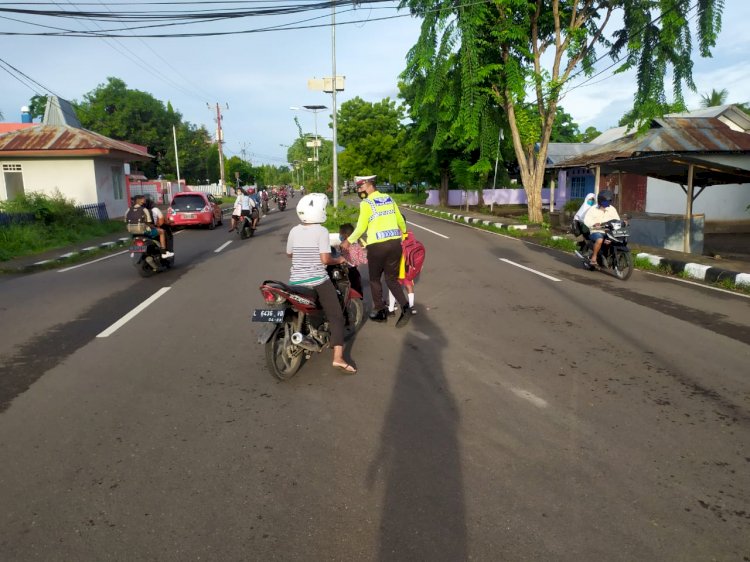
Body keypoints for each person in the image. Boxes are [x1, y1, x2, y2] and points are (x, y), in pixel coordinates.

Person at [288, 193, 356, 374]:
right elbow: (325, 259)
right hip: (317, 280)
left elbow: (290, 253)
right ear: (320, 211)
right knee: (336, 316)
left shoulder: (294, 230)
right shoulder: (322, 231)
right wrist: (340, 259)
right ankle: (338, 358)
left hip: (295, 280)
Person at [340, 175, 411, 327]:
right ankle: (406, 307)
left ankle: (380, 310)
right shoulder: (388, 198)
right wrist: (404, 234)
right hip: (394, 244)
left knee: (374, 279)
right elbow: (400, 220)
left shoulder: (366, 203)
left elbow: (360, 228)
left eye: (361, 186)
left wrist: (348, 241)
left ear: (369, 184)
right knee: (391, 279)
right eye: (358, 188)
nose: (359, 190)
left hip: (377, 247)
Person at [128, 194, 174, 258]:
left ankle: (133, 251)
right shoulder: (149, 210)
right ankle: (163, 252)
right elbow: (154, 223)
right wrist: (155, 227)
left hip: (134, 231)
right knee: (162, 232)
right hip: (145, 231)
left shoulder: (130, 210)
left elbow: (127, 221)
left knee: (133, 236)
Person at [583, 190, 620, 267]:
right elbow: (586, 220)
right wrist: (594, 224)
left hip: (609, 231)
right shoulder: (593, 209)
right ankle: (594, 257)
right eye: (605, 202)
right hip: (596, 231)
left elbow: (617, 220)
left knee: (619, 239)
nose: (607, 203)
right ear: (600, 201)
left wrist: (621, 223)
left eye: (608, 201)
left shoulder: (612, 209)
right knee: (600, 239)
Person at [338, 222, 365, 297]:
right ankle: (359, 300)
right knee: (356, 287)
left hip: (346, 271)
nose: (339, 235)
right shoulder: (357, 245)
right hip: (354, 270)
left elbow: (340, 257)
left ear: (345, 234)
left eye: (340, 233)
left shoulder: (342, 245)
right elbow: (363, 260)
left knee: (347, 288)